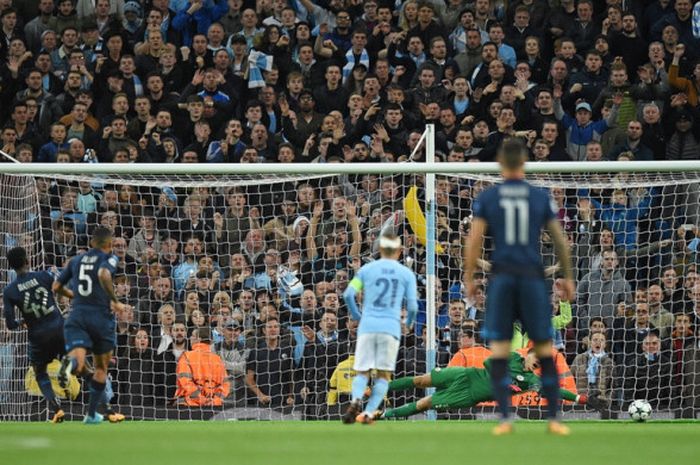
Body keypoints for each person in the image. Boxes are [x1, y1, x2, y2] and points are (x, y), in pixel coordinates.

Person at [464, 138, 575, 436]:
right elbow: (560, 240)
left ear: (500, 163)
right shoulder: (539, 197)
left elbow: (473, 240)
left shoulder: (488, 197)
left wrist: (469, 278)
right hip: (531, 278)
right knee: (543, 348)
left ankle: (504, 419)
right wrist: (567, 277)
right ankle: (553, 419)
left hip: (502, 279)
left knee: (499, 351)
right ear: (524, 163)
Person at [374, 351, 604, 420]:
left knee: (425, 403)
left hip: (470, 394)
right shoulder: (512, 357)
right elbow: (487, 361)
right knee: (421, 380)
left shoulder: (533, 381)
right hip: (466, 375)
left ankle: (382, 414)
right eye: (535, 359)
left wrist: (582, 399)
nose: (536, 364)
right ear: (528, 354)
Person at [53, 226, 129, 424]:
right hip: (100, 319)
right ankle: (91, 413)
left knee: (78, 364)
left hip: (77, 316)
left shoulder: (75, 260)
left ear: (92, 243)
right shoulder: (110, 258)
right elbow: (104, 274)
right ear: (109, 244)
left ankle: (68, 365)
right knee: (101, 368)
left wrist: (75, 296)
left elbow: (56, 287)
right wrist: (115, 300)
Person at [342, 233, 418, 424]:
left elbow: (348, 295)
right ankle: (367, 413)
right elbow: (413, 307)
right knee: (383, 376)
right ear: (400, 251)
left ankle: (356, 399)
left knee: (362, 372)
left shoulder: (367, 269)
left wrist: (359, 316)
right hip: (390, 328)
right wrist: (407, 324)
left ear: (381, 249)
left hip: (367, 327)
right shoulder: (406, 274)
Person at [2, 247, 65, 423]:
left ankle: (57, 408)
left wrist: (22, 323)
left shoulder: (9, 291)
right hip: (59, 327)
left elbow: (10, 324)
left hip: (38, 336)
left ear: (11, 266)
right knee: (79, 359)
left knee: (40, 373)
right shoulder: (44, 276)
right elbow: (61, 286)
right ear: (28, 260)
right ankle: (106, 407)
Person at [175, 327, 230, 406]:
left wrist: (201, 399)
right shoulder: (217, 359)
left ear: (198, 339)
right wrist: (215, 401)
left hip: (189, 405)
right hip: (213, 407)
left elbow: (185, 382)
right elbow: (225, 385)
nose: (190, 338)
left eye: (193, 336)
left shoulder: (186, 356)